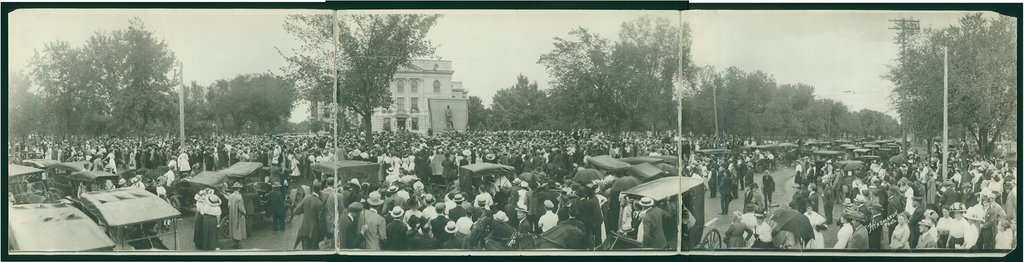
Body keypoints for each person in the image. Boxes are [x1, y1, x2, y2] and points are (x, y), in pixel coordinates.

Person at [227, 182, 247, 249]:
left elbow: (228, 205)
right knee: (238, 228)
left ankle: (234, 243)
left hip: (232, 214)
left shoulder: (230, 196)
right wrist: (244, 212)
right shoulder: (239, 196)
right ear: (239, 189)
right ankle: (238, 244)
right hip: (238, 214)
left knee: (233, 227)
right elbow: (240, 207)